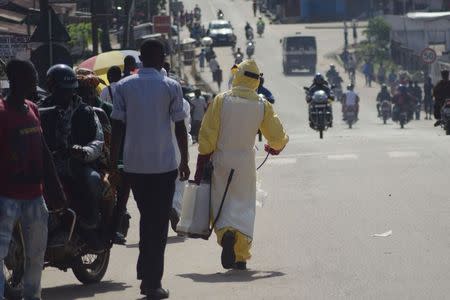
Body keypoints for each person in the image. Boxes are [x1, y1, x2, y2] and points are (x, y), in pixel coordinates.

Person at [110, 39, 190, 299]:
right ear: (160, 58)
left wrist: (114, 164)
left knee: (148, 219)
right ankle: (152, 282)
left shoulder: (122, 86)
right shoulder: (171, 86)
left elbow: (117, 128)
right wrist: (185, 161)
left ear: (142, 58)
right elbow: (180, 126)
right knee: (157, 225)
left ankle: (147, 275)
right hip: (164, 165)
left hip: (135, 166)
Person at [194, 59, 288, 270]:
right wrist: (275, 147)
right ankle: (241, 255)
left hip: (221, 161)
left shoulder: (221, 100)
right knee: (244, 206)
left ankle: (226, 234)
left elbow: (207, 135)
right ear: (256, 81)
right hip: (246, 163)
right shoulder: (262, 104)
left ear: (238, 76)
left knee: (222, 202)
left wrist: (203, 158)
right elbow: (278, 136)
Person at [0, 59, 65, 300]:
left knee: (36, 255)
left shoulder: (32, 108)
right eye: (31, 76)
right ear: (17, 80)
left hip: (35, 197)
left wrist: (56, 187)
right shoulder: (2, 113)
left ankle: (32, 296)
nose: (36, 80)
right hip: (6, 198)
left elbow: (43, 149)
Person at [39, 64, 106, 251]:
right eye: (61, 90)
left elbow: (98, 141)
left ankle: (89, 223)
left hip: (77, 163)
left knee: (92, 179)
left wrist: (83, 151)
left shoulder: (86, 111)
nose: (66, 95)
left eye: (69, 90)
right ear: (51, 88)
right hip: (47, 165)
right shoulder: (39, 110)